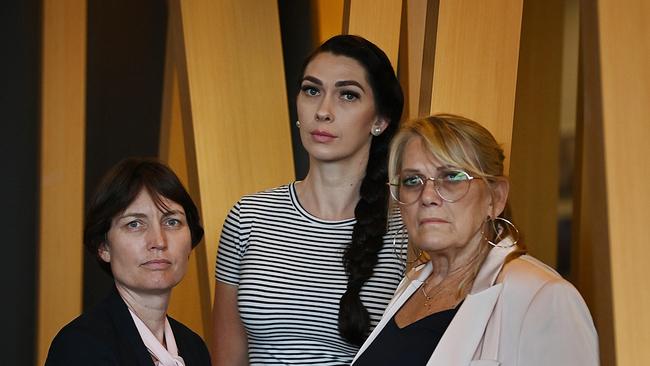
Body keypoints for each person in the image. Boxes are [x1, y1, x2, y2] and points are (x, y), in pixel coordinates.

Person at [212, 35, 405, 365]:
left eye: (347, 95)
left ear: (379, 121)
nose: (323, 111)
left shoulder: (406, 232)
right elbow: (227, 358)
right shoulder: (248, 217)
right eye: (312, 90)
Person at [352, 115, 599, 365]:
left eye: (452, 177)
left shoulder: (544, 297)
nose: (427, 196)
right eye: (412, 180)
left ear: (496, 198)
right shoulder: (412, 283)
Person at [46, 158, 211, 366]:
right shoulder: (80, 347)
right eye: (134, 224)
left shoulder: (194, 348)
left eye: (172, 222)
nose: (158, 241)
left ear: (190, 242)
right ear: (103, 247)